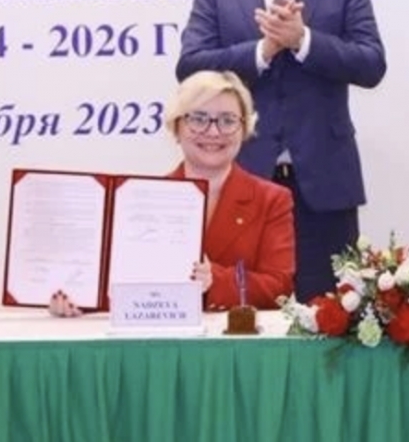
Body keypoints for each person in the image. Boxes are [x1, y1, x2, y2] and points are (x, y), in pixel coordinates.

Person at [175, 0, 386, 302]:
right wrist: (264, 50)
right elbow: (190, 66)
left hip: (326, 183)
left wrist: (303, 40)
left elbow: (371, 64)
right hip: (244, 180)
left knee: (331, 316)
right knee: (246, 311)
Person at [50, 70, 295, 316]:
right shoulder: (139, 199)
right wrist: (78, 299)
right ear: (176, 128)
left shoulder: (272, 200)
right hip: (157, 346)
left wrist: (215, 280)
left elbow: (279, 289)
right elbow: (118, 286)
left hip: (234, 349)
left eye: (228, 120)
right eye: (198, 119)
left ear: (244, 130)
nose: (213, 132)